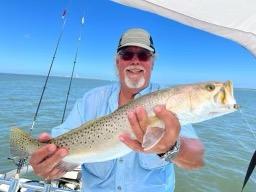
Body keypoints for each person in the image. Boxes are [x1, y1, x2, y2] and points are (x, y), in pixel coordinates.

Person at [30, 28, 205, 192]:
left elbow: (195, 158)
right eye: (127, 54)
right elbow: (59, 142)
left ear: (152, 63)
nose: (135, 60)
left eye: (143, 55)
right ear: (117, 62)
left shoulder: (169, 100)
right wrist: (46, 161)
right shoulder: (90, 100)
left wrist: (170, 148)